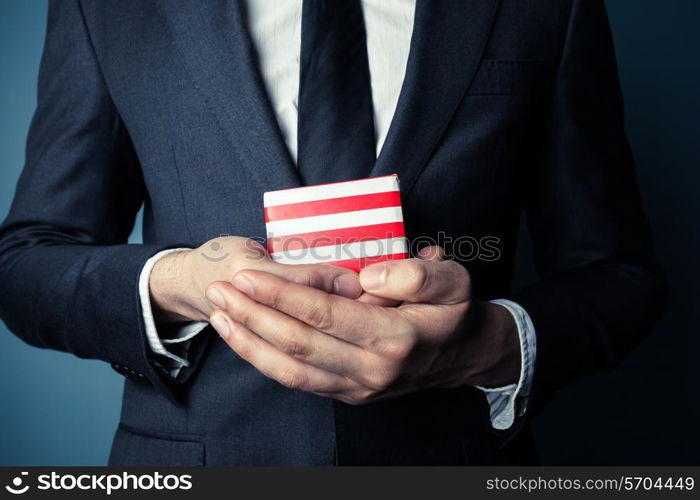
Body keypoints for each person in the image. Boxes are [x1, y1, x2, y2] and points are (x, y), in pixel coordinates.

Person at [0, 0, 666, 465]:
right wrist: (183, 283)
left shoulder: (543, 7)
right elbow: (26, 262)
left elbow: (621, 275)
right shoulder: (113, 8)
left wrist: (488, 344)